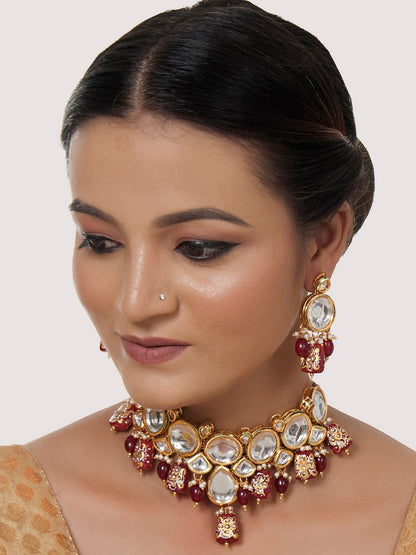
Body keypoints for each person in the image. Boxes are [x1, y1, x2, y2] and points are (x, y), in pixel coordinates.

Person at [0, 0, 414, 552]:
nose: (135, 302)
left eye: (198, 248)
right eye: (101, 241)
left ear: (323, 241)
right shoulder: (13, 509)